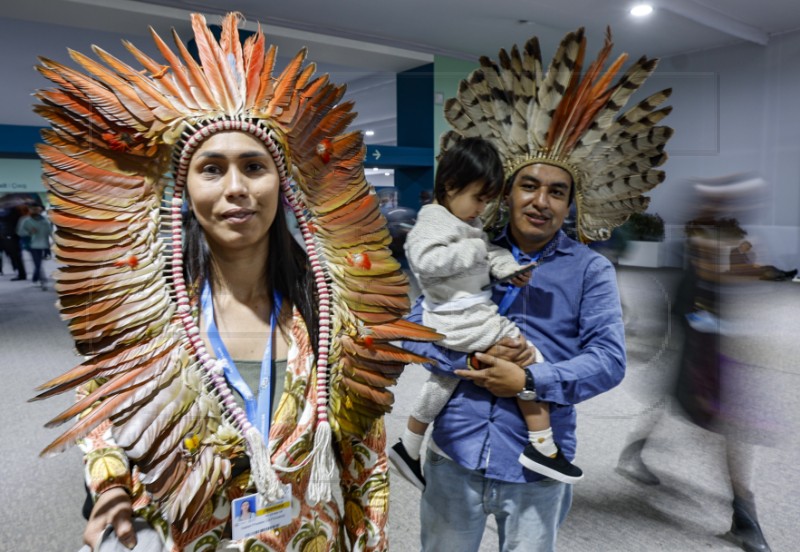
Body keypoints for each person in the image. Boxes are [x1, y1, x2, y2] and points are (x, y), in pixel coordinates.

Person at [32, 12, 438, 551]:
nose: (236, 188)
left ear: (282, 183)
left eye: (253, 166)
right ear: (185, 188)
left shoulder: (331, 314)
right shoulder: (153, 318)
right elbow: (103, 401)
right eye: (212, 168)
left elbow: (364, 462)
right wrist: (108, 486)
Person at [401, 27, 673, 551]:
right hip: (455, 452)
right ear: (507, 191)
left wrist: (528, 376)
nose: (541, 201)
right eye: (529, 185)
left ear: (571, 203)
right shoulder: (466, 252)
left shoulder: (590, 272)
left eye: (557, 191)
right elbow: (413, 328)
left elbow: (609, 361)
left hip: (534, 464)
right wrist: (467, 354)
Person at [389, 136, 582, 491]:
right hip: (459, 318)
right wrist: (475, 250)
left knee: (444, 381)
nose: (481, 208)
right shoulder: (434, 222)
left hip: (459, 317)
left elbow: (489, 253)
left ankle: (408, 444)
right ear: (450, 185)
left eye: (487, 200)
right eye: (478, 198)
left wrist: (509, 269)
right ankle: (542, 445)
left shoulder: (463, 223)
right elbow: (426, 262)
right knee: (530, 358)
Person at [17, 203, 51, 289]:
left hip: (44, 245)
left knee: (38, 264)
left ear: (40, 210)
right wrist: (29, 233)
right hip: (32, 245)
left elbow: (49, 233)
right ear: (30, 210)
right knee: (38, 263)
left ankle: (36, 280)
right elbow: (20, 232)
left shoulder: (45, 221)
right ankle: (42, 281)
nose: (35, 211)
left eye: (37, 209)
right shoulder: (25, 221)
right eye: (33, 209)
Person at [728, 239, 797, 281]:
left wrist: (753, 265)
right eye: (747, 248)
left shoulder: (743, 253)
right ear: (743, 245)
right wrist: (751, 266)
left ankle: (785, 273)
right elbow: (738, 264)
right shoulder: (735, 251)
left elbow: (747, 262)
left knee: (770, 267)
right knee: (766, 270)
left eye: (748, 248)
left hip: (747, 268)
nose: (748, 250)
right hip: (740, 271)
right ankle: (784, 274)